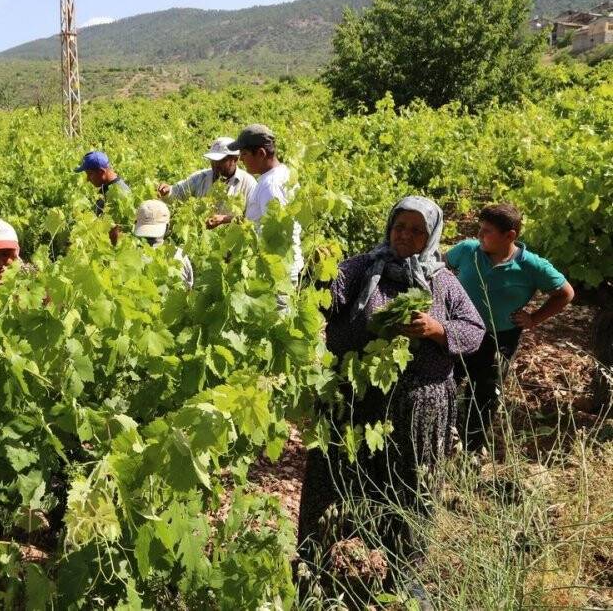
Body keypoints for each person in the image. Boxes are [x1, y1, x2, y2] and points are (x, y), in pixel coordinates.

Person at [297, 197, 485, 582]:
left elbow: (475, 330)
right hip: (353, 400)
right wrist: (317, 271)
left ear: (430, 235)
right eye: (400, 226)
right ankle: (316, 566)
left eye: (417, 230)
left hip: (417, 409)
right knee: (334, 481)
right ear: (389, 226)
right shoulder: (362, 268)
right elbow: (327, 298)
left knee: (409, 490)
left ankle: (402, 576)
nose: (406, 236)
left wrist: (437, 330)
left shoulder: (442, 280)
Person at [446, 203, 574, 452]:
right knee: (445, 382)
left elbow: (565, 293)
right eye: (479, 229)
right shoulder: (467, 250)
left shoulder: (531, 266)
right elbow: (441, 268)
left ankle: (472, 448)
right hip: (456, 330)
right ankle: (442, 436)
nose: (480, 235)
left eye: (488, 231)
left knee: (484, 392)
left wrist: (535, 318)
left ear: (510, 236)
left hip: (498, 337)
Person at [205, 124, 303, 281]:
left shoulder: (270, 186)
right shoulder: (283, 174)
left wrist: (240, 255)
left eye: (244, 154)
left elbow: (276, 236)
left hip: (276, 273)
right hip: (279, 268)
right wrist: (225, 219)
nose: (241, 159)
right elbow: (261, 222)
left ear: (261, 153)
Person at [156, 137, 256, 203]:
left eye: (221, 160)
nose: (215, 164)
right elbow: (178, 192)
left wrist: (228, 219)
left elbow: (253, 218)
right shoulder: (200, 177)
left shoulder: (248, 183)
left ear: (235, 159)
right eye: (212, 160)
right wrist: (168, 191)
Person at [133, 199, 194, 289]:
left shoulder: (131, 254)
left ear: (136, 224)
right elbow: (189, 289)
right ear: (168, 227)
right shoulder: (180, 256)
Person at [75, 150, 130, 217]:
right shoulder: (106, 186)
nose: (88, 179)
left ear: (101, 172)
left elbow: (118, 226)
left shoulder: (120, 194)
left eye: (89, 174)